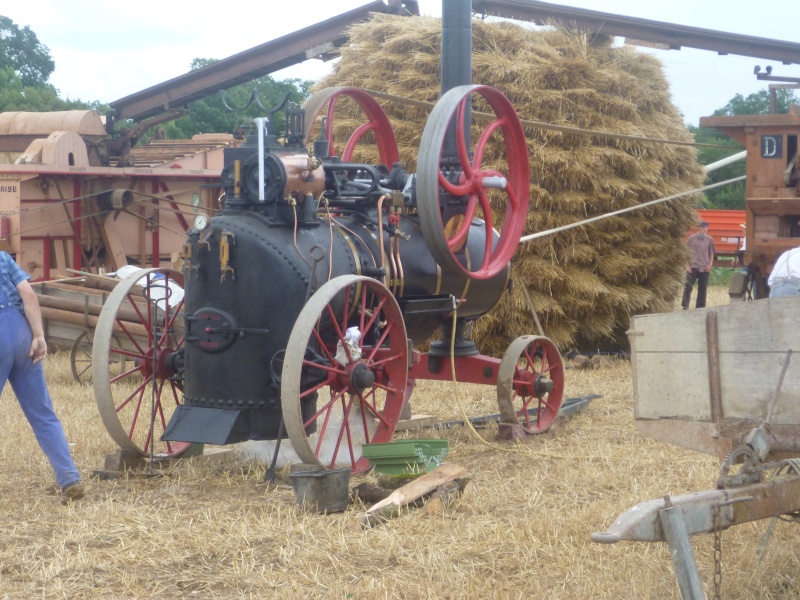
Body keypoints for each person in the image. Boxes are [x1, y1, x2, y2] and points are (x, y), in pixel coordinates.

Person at [0, 251, 84, 503]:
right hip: (22, 333)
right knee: (43, 414)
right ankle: (69, 477)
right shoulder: (3, 258)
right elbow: (28, 295)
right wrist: (39, 336)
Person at [681, 220, 716, 310]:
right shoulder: (692, 238)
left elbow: (711, 253)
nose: (705, 229)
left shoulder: (710, 239)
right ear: (699, 228)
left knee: (702, 289)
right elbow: (686, 253)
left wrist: (710, 265)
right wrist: (686, 266)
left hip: (704, 267)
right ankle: (685, 306)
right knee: (688, 287)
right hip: (692, 267)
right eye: (703, 227)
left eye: (706, 227)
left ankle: (700, 308)